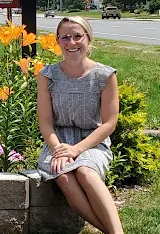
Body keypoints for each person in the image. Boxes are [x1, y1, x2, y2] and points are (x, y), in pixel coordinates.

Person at [37, 16, 124, 234]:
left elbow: (109, 123)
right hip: (58, 139)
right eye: (65, 37)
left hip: (93, 141)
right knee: (64, 175)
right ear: (57, 41)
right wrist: (59, 150)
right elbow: (45, 123)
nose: (72, 42)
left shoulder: (104, 75)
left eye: (77, 36)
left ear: (88, 38)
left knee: (86, 172)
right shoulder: (47, 75)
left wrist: (76, 149)